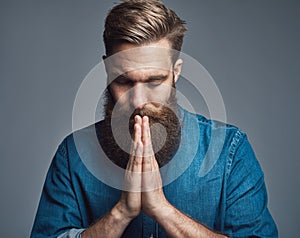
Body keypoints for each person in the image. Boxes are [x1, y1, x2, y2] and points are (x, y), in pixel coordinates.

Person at [31, 0, 278, 237]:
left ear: (175, 72)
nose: (138, 101)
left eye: (154, 81)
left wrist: (162, 209)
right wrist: (121, 213)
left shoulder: (229, 151)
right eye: (124, 81)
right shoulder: (73, 154)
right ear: (107, 71)